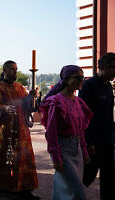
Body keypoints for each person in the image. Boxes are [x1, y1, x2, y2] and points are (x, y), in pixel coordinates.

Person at [0, 60, 39, 200]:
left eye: (16, 69)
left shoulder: (20, 87)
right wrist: (4, 108)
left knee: (23, 158)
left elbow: (28, 107)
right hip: (4, 131)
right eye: (12, 69)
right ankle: (1, 187)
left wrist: (31, 98)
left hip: (21, 130)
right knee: (5, 158)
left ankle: (25, 188)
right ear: (5, 70)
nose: (15, 71)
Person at [40, 65, 93, 200]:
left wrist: (84, 151)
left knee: (68, 189)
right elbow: (51, 132)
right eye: (78, 78)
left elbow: (80, 130)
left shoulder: (78, 102)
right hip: (63, 149)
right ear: (67, 79)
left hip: (77, 149)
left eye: (83, 78)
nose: (81, 81)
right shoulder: (56, 102)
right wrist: (56, 157)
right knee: (78, 191)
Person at [79, 52, 115, 200]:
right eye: (113, 68)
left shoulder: (108, 87)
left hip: (108, 141)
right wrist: (88, 141)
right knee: (86, 177)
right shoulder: (89, 85)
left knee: (109, 178)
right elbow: (82, 116)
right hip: (94, 143)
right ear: (102, 67)